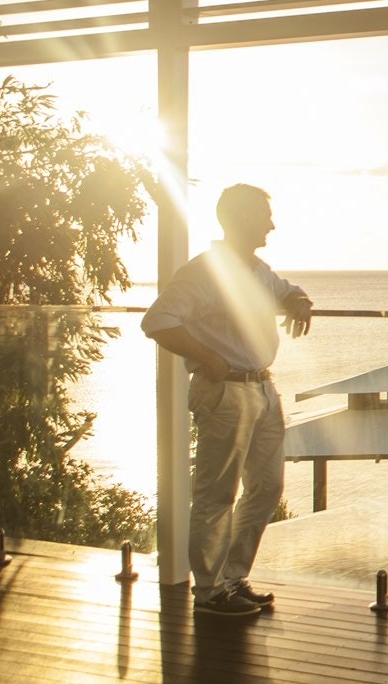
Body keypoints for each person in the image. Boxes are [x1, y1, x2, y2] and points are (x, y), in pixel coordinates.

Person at [142, 184, 313, 617]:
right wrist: (208, 358)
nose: (271, 224)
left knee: (267, 486)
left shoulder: (256, 269)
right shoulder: (205, 272)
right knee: (217, 494)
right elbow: (157, 320)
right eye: (263, 215)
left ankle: (233, 577)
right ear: (238, 219)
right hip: (225, 391)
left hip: (261, 387)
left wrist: (299, 300)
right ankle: (210, 592)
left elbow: (286, 289)